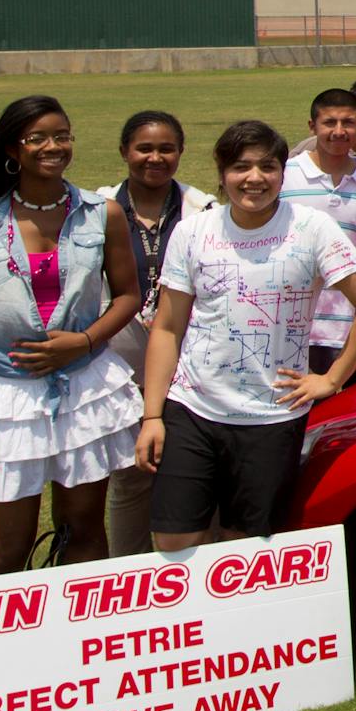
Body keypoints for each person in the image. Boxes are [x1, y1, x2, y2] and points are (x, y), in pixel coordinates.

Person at [137, 120, 356, 551]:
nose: (254, 178)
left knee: (246, 546)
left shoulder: (312, 228)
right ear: (222, 173)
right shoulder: (194, 230)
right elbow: (167, 327)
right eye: (241, 167)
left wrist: (332, 379)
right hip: (193, 409)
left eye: (267, 167)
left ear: (282, 173)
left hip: (272, 418)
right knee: (174, 541)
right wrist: (152, 417)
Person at [0, 97, 143, 576]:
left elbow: (128, 296)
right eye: (38, 138)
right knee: (5, 548)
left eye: (62, 136)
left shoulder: (103, 213)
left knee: (83, 532)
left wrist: (84, 342)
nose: (53, 147)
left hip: (84, 391)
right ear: (13, 149)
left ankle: (78, 625)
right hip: (6, 401)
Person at [95, 111, 217, 557]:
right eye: (144, 148)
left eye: (166, 149)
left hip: (188, 370)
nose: (155, 158)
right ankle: (126, 573)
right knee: (130, 479)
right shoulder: (96, 209)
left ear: (181, 152)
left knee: (199, 477)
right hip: (119, 366)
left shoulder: (203, 210)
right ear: (124, 151)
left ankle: (201, 575)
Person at [281, 88, 356, 382]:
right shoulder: (284, 176)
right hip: (294, 326)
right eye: (329, 122)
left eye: (348, 123)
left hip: (349, 326)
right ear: (312, 126)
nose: (339, 131)